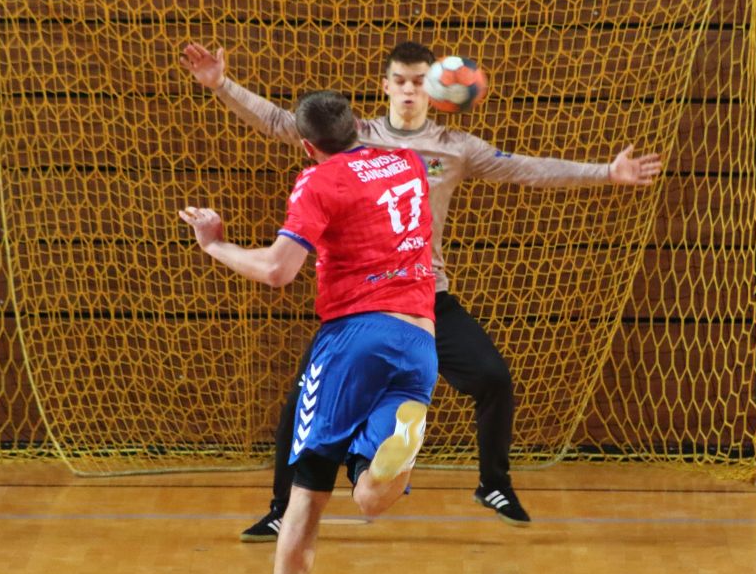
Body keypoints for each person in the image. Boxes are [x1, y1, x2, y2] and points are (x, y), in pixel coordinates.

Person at [180, 40, 662, 535]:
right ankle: (283, 509)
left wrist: (606, 172)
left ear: (434, 89)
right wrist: (221, 84)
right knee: (299, 403)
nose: (409, 90)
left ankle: (493, 483)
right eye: (400, 80)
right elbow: (283, 122)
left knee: (492, 377)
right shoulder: (356, 137)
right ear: (385, 86)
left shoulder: (456, 147)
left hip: (426, 297)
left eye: (418, 81)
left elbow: (527, 167)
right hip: (364, 302)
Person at [179, 90, 437, 574]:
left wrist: (215, 244)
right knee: (369, 498)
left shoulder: (319, 181)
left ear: (305, 145)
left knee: (307, 494)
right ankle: (400, 449)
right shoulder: (408, 163)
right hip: (420, 340)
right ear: (358, 124)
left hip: (354, 338)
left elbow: (278, 270)